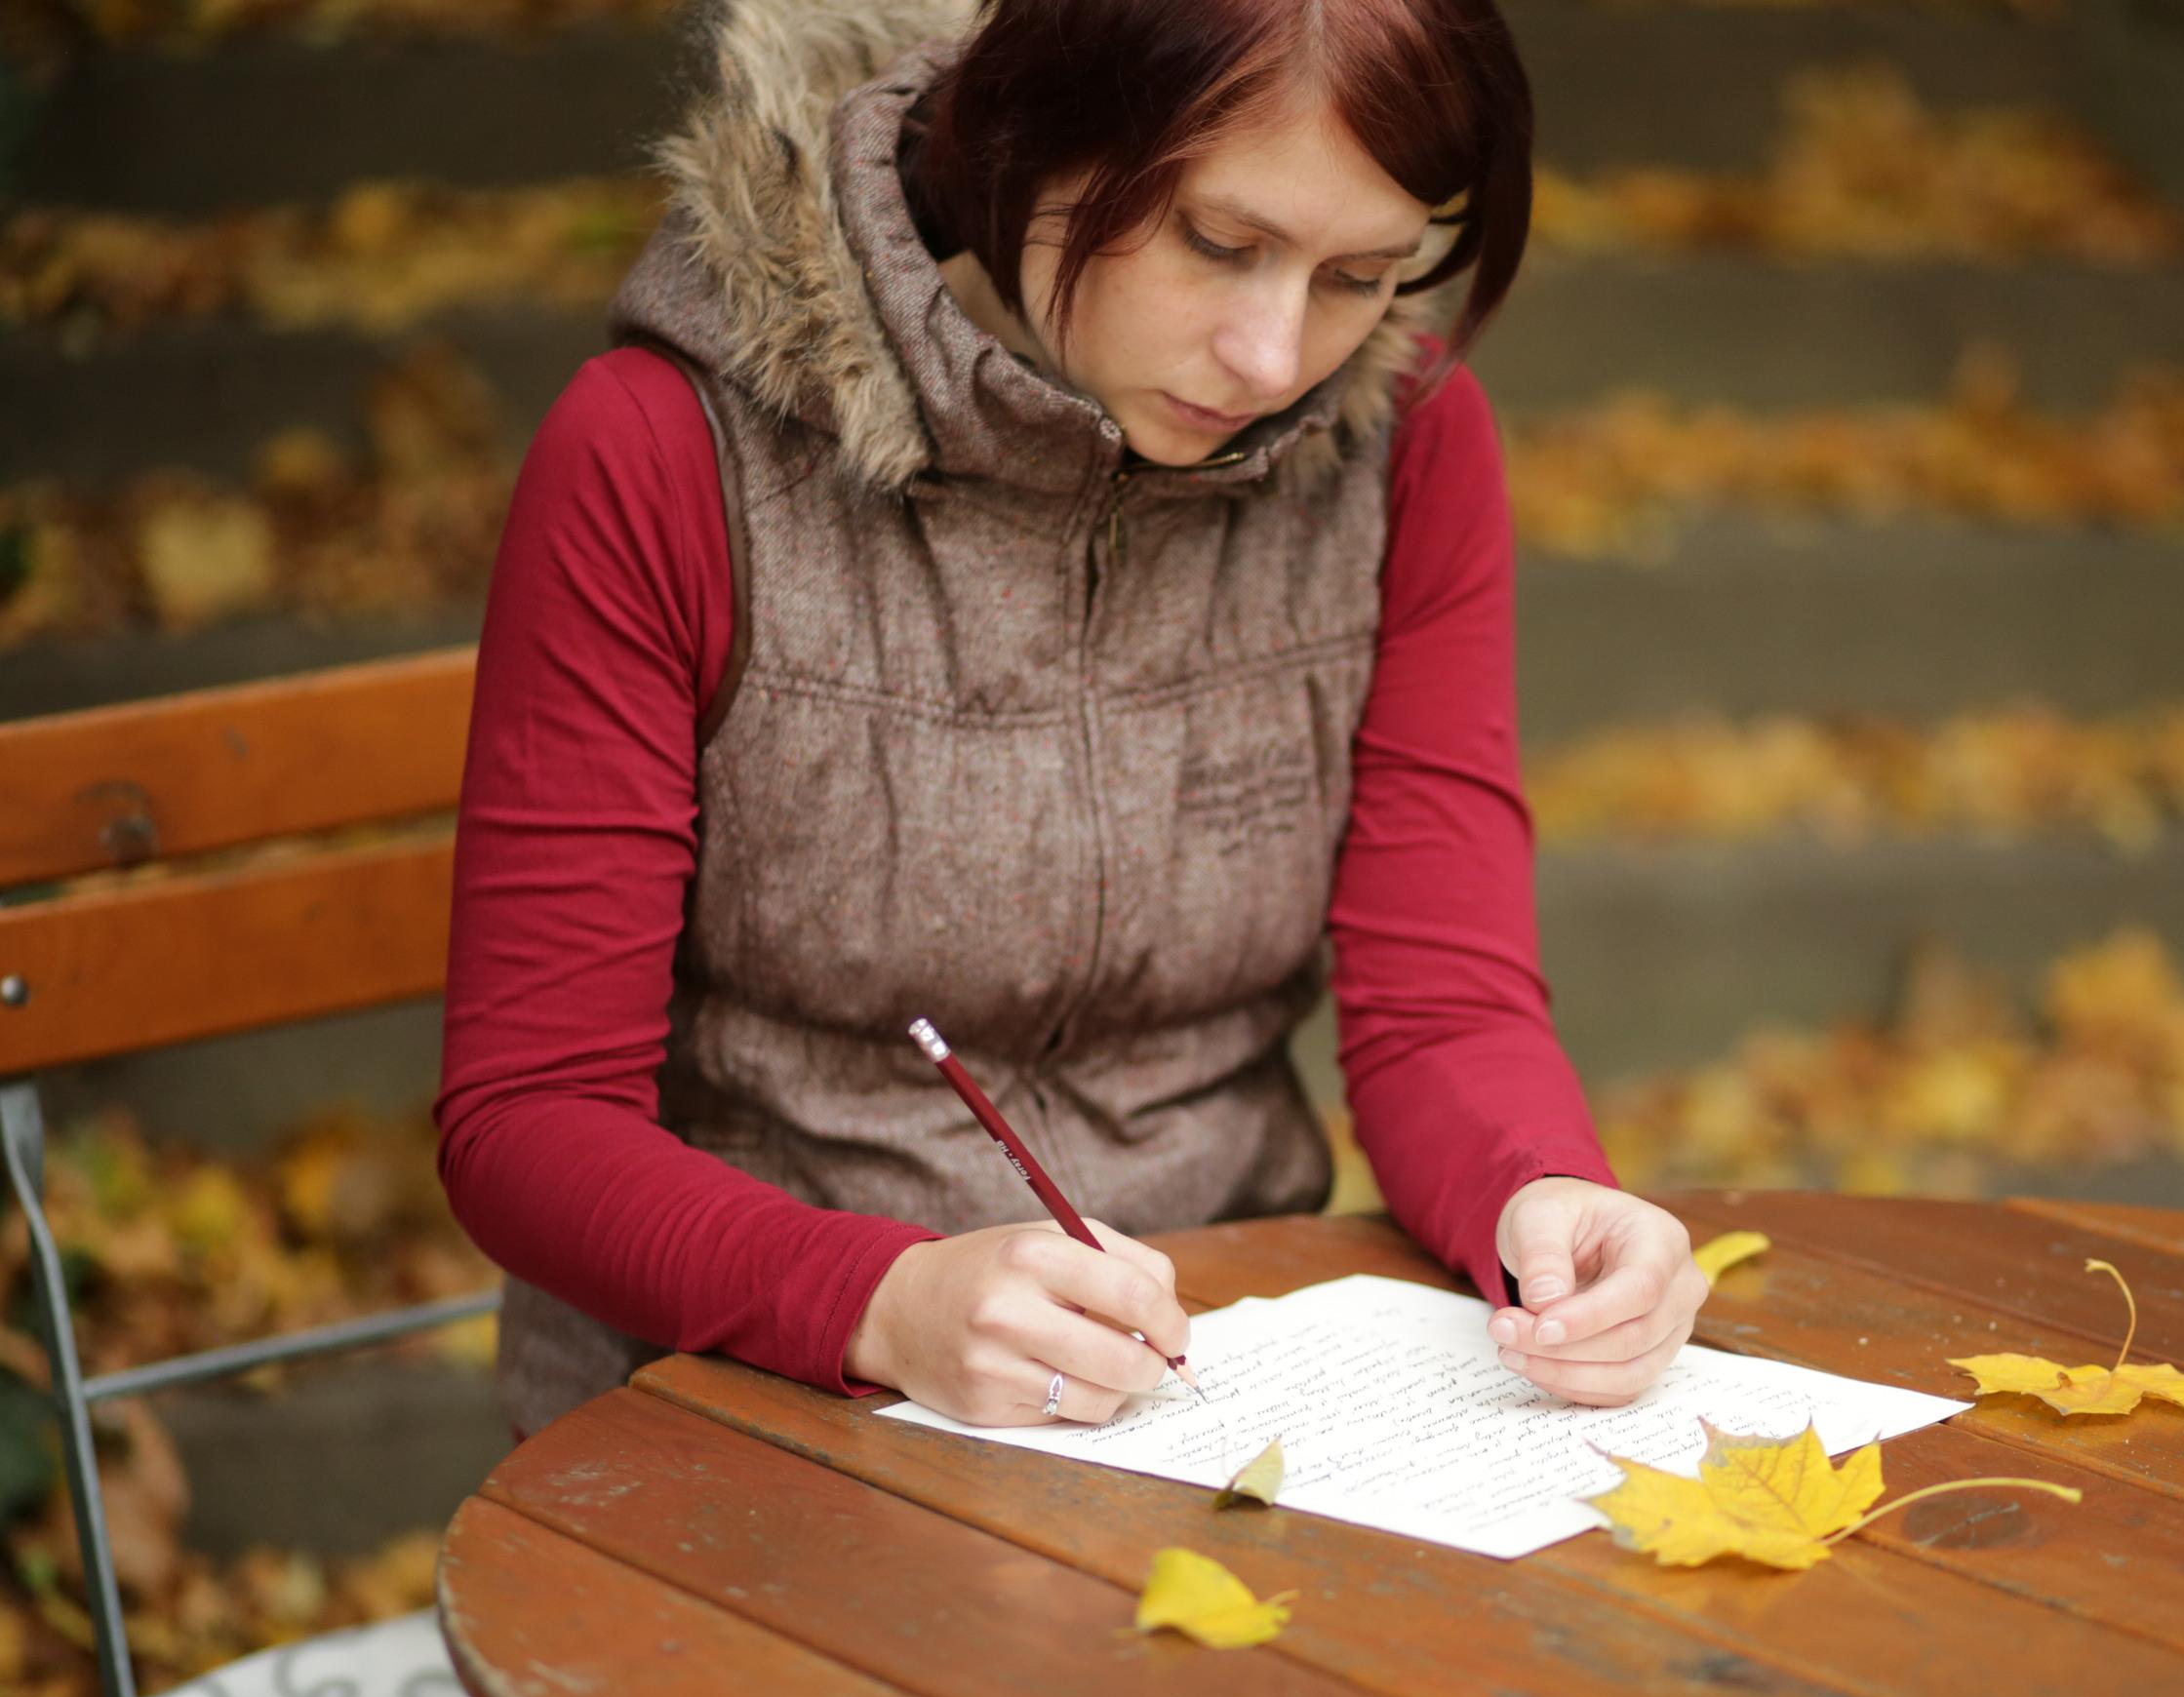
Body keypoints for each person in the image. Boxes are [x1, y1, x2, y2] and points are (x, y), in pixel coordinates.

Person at [434, 0, 1711, 1440]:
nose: (1270, 355)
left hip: (1225, 1389)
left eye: (1362, 274)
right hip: (733, 1407)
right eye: (1217, 246)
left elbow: (1441, 1005)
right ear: (1029, 135)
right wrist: (883, 1303)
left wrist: (1540, 1189)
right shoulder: (666, 458)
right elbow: (530, 1119)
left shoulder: (1395, 451)